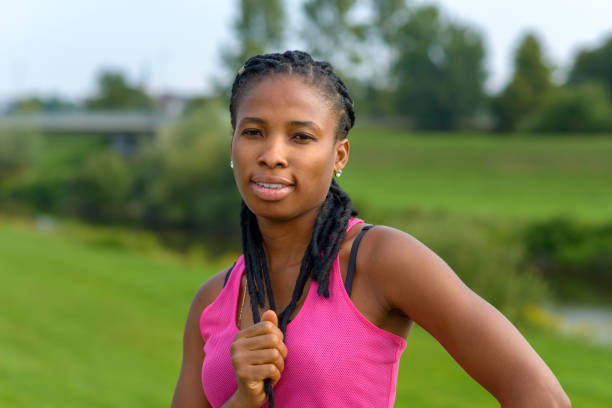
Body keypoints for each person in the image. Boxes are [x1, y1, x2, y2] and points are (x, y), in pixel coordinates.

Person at [171, 50, 570, 408]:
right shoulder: (213, 299)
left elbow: (542, 396)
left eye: (301, 136)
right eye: (254, 132)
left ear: (338, 155)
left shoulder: (381, 260)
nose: (273, 155)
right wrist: (243, 401)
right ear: (233, 146)